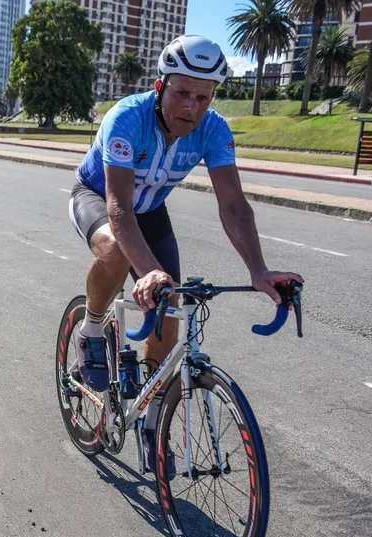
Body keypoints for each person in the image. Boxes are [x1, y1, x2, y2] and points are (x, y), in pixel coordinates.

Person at [68, 35, 303, 474]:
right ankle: (92, 328)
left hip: (151, 211)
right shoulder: (127, 118)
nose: (191, 107)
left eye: (203, 97)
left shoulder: (214, 130)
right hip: (99, 198)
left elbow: (233, 205)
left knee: (170, 304)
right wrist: (148, 271)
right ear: (160, 86)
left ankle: (153, 419)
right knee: (118, 252)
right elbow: (119, 209)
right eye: (182, 93)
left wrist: (258, 270)